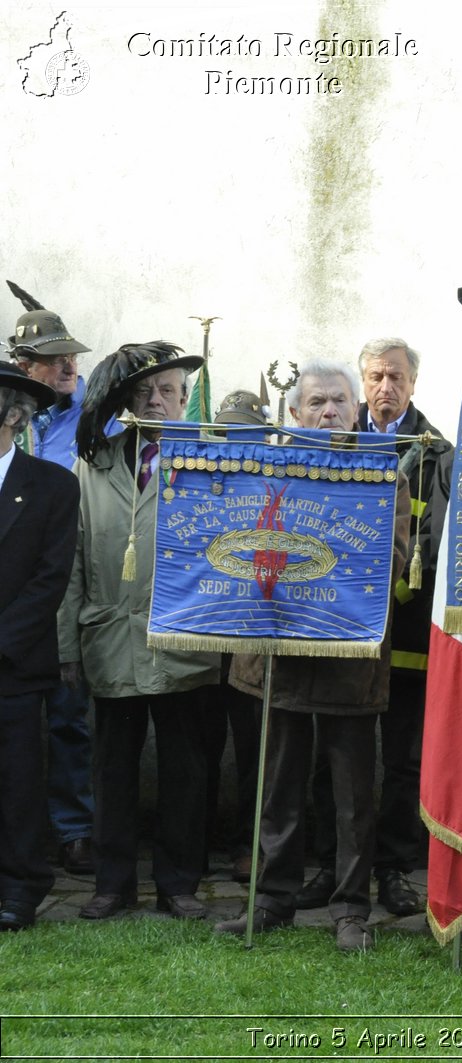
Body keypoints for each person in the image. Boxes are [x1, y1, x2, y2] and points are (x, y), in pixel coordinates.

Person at [214, 360, 409, 952]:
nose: (329, 411)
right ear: (294, 415)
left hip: (350, 659)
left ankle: (351, 910)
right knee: (277, 785)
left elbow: (395, 558)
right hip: (277, 656)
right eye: (317, 402)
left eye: (340, 402)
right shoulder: (264, 471)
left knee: (353, 796)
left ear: (357, 413)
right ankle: (271, 901)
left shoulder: (385, 477)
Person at [60, 342, 218, 921]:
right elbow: (73, 556)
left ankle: (179, 885)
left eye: (168, 390)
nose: (156, 400)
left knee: (184, 770)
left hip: (184, 642)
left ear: (183, 400)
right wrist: (65, 646)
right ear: (127, 399)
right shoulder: (94, 463)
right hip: (111, 639)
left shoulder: (210, 462)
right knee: (113, 769)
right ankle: (112, 884)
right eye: (145, 392)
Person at [355, 337, 452, 918]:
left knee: (402, 757)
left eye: (395, 377)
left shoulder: (437, 453)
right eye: (374, 376)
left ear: (413, 383)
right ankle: (337, 866)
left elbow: (438, 543)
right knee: (336, 753)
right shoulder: (340, 441)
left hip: (407, 629)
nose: (385, 388)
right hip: (341, 626)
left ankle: (393, 869)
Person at [8, 308, 96, 875]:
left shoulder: (93, 418)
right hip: (8, 586)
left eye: (71, 356)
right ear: (23, 367)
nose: (67, 365)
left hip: (64, 584)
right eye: (52, 359)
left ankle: (74, 829)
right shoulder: (13, 420)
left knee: (70, 714)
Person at [0, 362, 80, 930]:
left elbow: (50, 580)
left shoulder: (53, 485)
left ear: (10, 414)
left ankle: (19, 888)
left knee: (17, 782)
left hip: (13, 664)